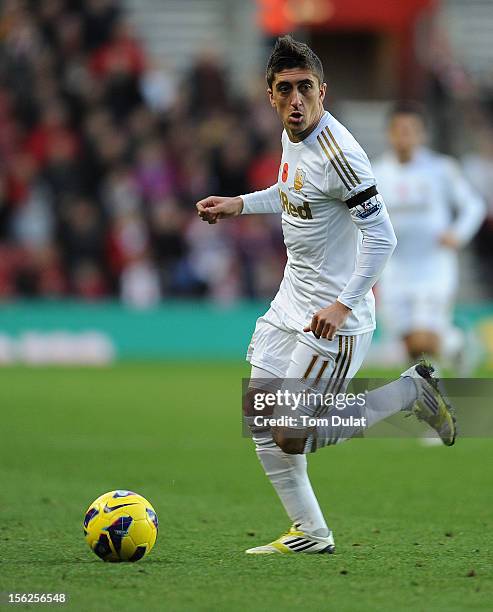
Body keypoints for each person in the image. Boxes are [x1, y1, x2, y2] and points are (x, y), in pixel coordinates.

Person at [196, 36, 456, 555]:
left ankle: (410, 393)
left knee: (290, 433)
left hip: (334, 317)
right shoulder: (294, 138)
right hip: (291, 299)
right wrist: (240, 205)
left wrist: (343, 305)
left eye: (305, 89)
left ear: (323, 92)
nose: (296, 100)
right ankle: (311, 533)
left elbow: (383, 235)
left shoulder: (342, 157)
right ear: (270, 95)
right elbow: (294, 192)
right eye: (285, 89)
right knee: (260, 417)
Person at [373, 102, 485, 368]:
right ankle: (456, 344)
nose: (405, 136)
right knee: (411, 348)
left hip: (433, 267)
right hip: (395, 269)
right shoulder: (376, 173)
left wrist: (458, 234)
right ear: (389, 134)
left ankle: (451, 348)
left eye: (411, 130)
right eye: (399, 130)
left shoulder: (441, 169)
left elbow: (474, 205)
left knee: (423, 340)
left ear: (423, 134)